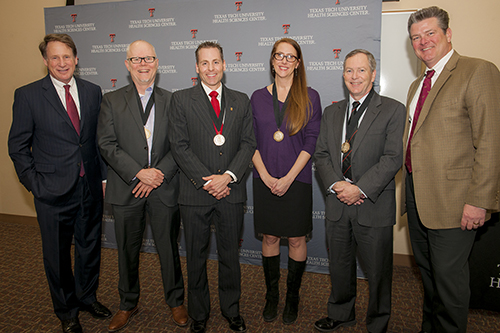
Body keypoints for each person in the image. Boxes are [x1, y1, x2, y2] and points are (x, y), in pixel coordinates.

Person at [402, 7, 500, 333]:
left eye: (430, 33)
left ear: (448, 34)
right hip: (418, 198)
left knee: (449, 284)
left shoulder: (477, 71)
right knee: (430, 279)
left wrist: (479, 200)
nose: (423, 42)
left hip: (456, 202)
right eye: (416, 37)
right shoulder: (417, 84)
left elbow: (490, 140)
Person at [8, 33, 111, 333]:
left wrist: (102, 177)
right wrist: (35, 185)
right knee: (56, 255)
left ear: (76, 59)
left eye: (67, 56)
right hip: (51, 192)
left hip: (89, 187)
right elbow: (17, 146)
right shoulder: (27, 95)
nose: (62, 63)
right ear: (45, 61)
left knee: (90, 247)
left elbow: (96, 140)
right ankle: (66, 310)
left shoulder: (93, 91)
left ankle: (87, 297)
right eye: (55, 57)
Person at [97, 40, 187, 332]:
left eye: (148, 58)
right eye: (136, 59)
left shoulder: (172, 100)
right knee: (126, 249)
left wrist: (158, 173)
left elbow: (180, 146)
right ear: (127, 65)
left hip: (163, 186)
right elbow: (107, 145)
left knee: (168, 249)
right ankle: (127, 303)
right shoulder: (111, 100)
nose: (143, 64)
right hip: (127, 188)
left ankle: (175, 301)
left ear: (157, 62)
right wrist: (139, 173)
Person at [313, 49, 405, 332]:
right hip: (338, 202)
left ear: (373, 74)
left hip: (372, 204)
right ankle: (341, 313)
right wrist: (338, 185)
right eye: (349, 71)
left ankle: (377, 322)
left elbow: (392, 158)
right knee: (339, 266)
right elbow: (322, 154)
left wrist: (359, 189)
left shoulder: (392, 109)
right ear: (343, 75)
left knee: (378, 271)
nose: (355, 76)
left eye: (361, 70)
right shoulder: (331, 112)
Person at [169, 41, 256, 333]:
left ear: (224, 65)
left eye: (216, 62)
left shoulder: (241, 100)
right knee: (196, 257)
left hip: (230, 192)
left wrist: (228, 176)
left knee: (230, 256)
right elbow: (179, 147)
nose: (211, 69)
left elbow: (248, 144)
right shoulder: (181, 100)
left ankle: (231, 310)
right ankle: (199, 314)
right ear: (196, 68)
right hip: (195, 194)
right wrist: (209, 181)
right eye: (204, 63)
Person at [250, 38, 321, 325]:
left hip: (297, 180)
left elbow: (312, 141)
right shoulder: (256, 97)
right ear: (271, 60)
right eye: (279, 55)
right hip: (264, 179)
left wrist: (289, 178)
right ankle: (271, 296)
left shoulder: (310, 96)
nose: (284, 60)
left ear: (298, 63)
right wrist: (267, 177)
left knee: (295, 238)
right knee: (269, 236)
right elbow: (249, 140)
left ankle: (292, 297)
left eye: (290, 57)